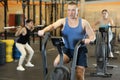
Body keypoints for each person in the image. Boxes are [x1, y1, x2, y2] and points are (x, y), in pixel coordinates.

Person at [38, 2, 95, 80]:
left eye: (73, 10)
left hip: (80, 49)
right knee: (56, 63)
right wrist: (43, 31)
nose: (70, 13)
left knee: (79, 72)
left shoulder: (84, 23)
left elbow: (93, 36)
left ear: (77, 11)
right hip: (67, 49)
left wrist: (89, 40)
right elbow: (53, 26)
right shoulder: (63, 21)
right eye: (68, 10)